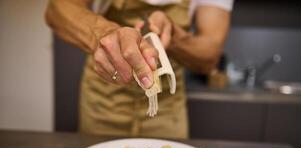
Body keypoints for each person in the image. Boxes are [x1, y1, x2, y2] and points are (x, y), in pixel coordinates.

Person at [45, 0, 233, 138]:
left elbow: (209, 55)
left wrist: (173, 37)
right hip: (103, 99)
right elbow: (56, 10)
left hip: (167, 106)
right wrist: (106, 34)